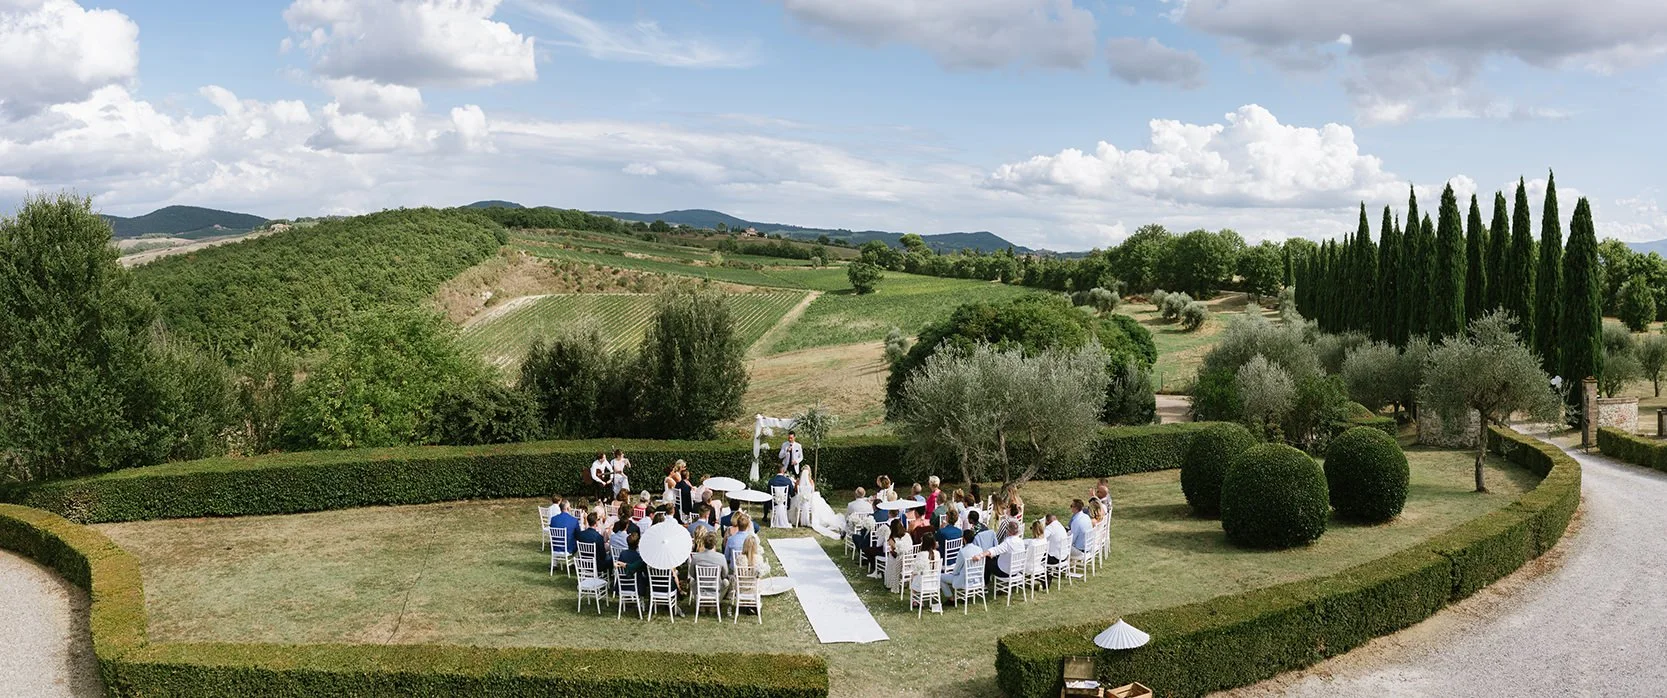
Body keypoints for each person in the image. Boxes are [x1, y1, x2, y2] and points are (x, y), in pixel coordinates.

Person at [970, 519, 1026, 587]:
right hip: (1016, 570)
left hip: (1005, 571)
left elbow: (994, 550)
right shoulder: (1021, 541)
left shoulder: (1008, 542)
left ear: (1008, 531)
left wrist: (980, 555)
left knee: (987, 560)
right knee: (993, 558)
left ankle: (985, 583)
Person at [941, 529, 983, 604]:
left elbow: (956, 570)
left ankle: (951, 598)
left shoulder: (963, 551)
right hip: (977, 579)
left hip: (964, 580)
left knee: (940, 577)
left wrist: (952, 573)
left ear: (964, 539)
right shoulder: (980, 550)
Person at [688, 529, 731, 599]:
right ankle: (718, 600)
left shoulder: (696, 557)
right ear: (715, 544)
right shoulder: (721, 557)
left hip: (700, 586)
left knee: (692, 581)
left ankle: (699, 600)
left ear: (704, 543)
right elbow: (725, 574)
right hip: (716, 586)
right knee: (726, 582)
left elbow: (692, 573)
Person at [884, 519, 910, 592]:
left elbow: (895, 552)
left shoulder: (892, 539)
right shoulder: (907, 535)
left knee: (891, 560)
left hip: (899, 561)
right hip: (909, 561)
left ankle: (891, 583)